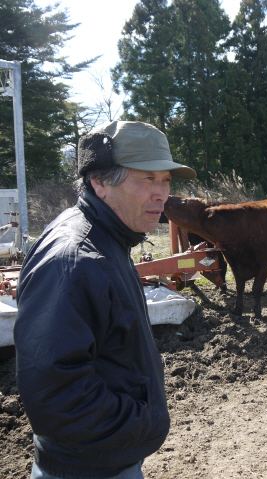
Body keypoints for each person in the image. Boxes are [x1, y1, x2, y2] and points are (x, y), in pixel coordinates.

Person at [14, 121, 196, 479]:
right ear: (99, 182)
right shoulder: (75, 260)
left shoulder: (108, 238)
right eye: (147, 179)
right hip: (90, 468)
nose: (162, 194)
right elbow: (54, 395)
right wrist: (140, 423)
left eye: (166, 180)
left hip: (105, 457)